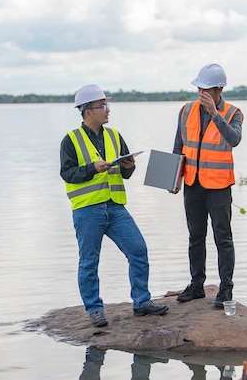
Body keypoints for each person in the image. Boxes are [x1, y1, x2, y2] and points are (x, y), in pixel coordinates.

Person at [60, 84, 169, 327]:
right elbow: (67, 174)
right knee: (89, 261)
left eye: (107, 105)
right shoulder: (71, 140)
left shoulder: (114, 135)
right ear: (88, 111)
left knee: (138, 251)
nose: (108, 110)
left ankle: (142, 302)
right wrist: (92, 169)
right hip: (87, 210)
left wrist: (129, 166)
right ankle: (95, 310)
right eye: (103, 106)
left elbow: (126, 172)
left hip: (116, 207)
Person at [172, 64, 243, 308]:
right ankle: (196, 285)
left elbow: (234, 140)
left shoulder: (233, 113)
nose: (201, 93)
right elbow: (179, 146)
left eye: (205, 89)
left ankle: (226, 288)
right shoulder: (185, 111)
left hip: (219, 186)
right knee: (195, 236)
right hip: (192, 184)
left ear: (219, 89)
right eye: (199, 88)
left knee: (223, 238)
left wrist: (215, 113)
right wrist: (174, 178)